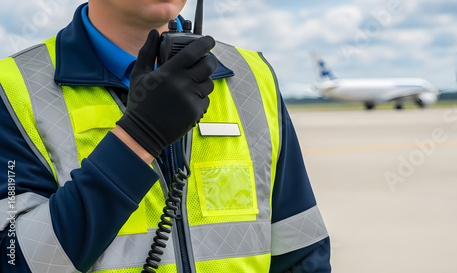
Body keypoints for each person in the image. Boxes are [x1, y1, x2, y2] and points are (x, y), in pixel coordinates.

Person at [0, 1, 331, 272]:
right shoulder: (11, 90)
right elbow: (14, 261)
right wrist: (137, 139)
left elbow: (299, 250)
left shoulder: (253, 76)